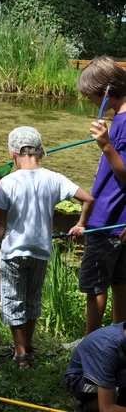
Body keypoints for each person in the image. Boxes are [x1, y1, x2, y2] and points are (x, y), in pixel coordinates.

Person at [0, 126, 94, 368]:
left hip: (13, 251)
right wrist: (80, 224)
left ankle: (20, 355)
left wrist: (2, 237)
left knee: (13, 299)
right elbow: (88, 199)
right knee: (32, 299)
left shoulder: (8, 182)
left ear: (13, 153)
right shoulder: (54, 178)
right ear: (41, 152)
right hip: (40, 250)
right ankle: (27, 346)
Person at [78, 56, 126, 335]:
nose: (92, 103)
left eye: (91, 97)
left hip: (107, 220)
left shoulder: (122, 123)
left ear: (105, 91)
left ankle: (91, 342)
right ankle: (118, 340)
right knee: (120, 283)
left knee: (96, 286)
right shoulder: (118, 119)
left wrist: (106, 145)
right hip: (117, 220)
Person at [64, 322, 126, 411]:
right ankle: (89, 407)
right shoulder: (107, 348)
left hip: (111, 369)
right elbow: (106, 409)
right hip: (80, 380)